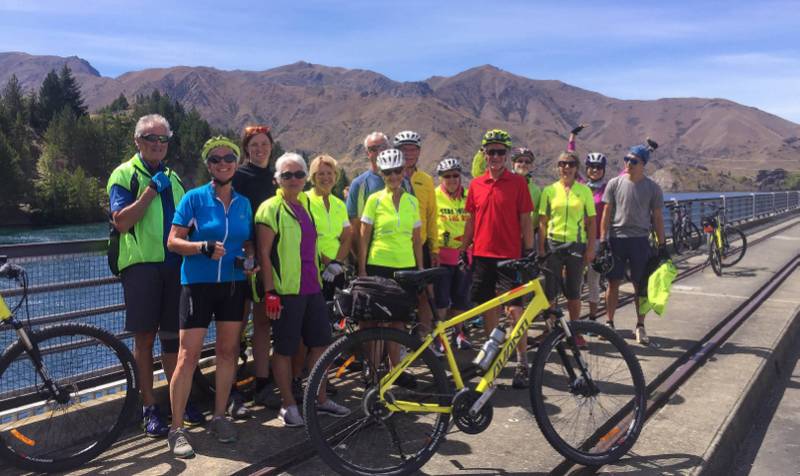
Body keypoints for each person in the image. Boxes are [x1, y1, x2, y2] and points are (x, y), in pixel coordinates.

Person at [106, 113, 203, 439]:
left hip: (175, 266)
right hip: (141, 267)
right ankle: (149, 408)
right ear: (138, 141)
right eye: (151, 138)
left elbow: (187, 223)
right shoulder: (124, 174)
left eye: (163, 139)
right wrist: (150, 190)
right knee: (145, 340)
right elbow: (122, 222)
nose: (158, 144)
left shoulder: (174, 178)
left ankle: (179, 403)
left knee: (174, 340)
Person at [166, 136, 255, 457]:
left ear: (236, 162)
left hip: (232, 285)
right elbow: (173, 241)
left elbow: (247, 241)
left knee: (228, 352)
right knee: (187, 357)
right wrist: (201, 247)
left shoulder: (244, 203)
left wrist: (250, 258)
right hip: (197, 285)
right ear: (208, 165)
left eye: (229, 158)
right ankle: (176, 429)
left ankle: (219, 417)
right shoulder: (194, 199)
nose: (223, 163)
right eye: (216, 159)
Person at [255, 152, 350, 428]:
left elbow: (312, 245)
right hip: (286, 291)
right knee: (284, 349)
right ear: (277, 179)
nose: (294, 179)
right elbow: (264, 253)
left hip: (312, 287)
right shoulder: (269, 208)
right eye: (287, 175)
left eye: (298, 174)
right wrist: (270, 292)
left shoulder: (305, 204)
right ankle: (288, 405)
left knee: (320, 344)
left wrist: (330, 265)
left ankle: (319, 399)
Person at [462, 129, 534, 389]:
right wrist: (463, 248)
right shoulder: (476, 184)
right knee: (488, 309)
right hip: (482, 256)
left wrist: (529, 251)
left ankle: (522, 361)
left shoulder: (518, 183)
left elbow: (526, 220)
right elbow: (471, 220)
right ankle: (492, 359)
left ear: (507, 154)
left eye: (500, 152)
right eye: (491, 151)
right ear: (484, 154)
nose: (495, 156)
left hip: (510, 258)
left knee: (515, 311)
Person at [359, 148, 424, 388]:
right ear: (382, 174)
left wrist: (420, 269)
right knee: (378, 323)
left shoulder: (412, 201)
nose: (393, 176)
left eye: (397, 171)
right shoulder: (374, 200)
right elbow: (363, 238)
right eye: (388, 173)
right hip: (379, 266)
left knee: (398, 323)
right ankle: (374, 373)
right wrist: (362, 269)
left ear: (404, 171)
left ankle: (396, 371)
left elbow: (416, 240)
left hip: (406, 268)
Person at [231, 125, 280, 414]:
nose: (260, 149)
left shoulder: (275, 178)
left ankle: (262, 384)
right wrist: (245, 250)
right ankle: (232, 390)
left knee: (263, 324)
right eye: (254, 145)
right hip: (243, 257)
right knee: (235, 325)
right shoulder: (238, 176)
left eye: (264, 144)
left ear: (271, 146)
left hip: (269, 258)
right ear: (246, 149)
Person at [600, 143, 667, 346]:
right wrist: (603, 240)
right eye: (626, 159)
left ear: (643, 164)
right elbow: (606, 213)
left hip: (640, 241)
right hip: (617, 239)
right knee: (613, 283)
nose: (628, 163)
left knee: (640, 285)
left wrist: (662, 245)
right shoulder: (614, 183)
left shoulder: (653, 188)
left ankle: (640, 325)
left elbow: (657, 217)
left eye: (633, 161)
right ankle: (609, 323)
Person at [538, 152, 597, 347]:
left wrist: (591, 249)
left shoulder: (584, 191)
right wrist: (541, 247)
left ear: (576, 167)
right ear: (557, 167)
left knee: (573, 291)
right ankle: (550, 330)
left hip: (575, 245)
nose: (566, 167)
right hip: (553, 244)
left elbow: (591, 222)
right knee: (550, 291)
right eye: (562, 163)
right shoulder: (549, 190)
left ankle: (575, 332)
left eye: (571, 164)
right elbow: (543, 222)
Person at [394, 130, 438, 337]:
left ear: (419, 152)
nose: (409, 154)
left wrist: (434, 248)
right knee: (400, 295)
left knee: (426, 294)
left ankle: (424, 336)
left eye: (413, 149)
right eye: (404, 150)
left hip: (422, 244)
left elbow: (432, 214)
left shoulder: (426, 180)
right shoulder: (392, 177)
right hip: (400, 246)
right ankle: (401, 340)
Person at [433, 158, 472, 350]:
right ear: (441, 178)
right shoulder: (434, 196)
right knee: (441, 301)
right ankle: (439, 337)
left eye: (455, 175)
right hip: (442, 256)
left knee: (460, 299)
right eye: (447, 176)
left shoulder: (469, 196)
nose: (452, 179)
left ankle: (459, 333)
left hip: (465, 255)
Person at [308, 154, 353, 297]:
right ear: (313, 177)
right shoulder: (303, 200)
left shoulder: (340, 204)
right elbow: (305, 238)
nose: (326, 177)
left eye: (330, 173)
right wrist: (328, 263)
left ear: (336, 175)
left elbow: (346, 237)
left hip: (336, 270)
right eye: (320, 174)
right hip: (312, 268)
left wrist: (337, 263)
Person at [345, 132, 391, 257]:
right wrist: (361, 260)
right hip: (372, 256)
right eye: (373, 149)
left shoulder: (403, 181)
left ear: (389, 148)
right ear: (367, 153)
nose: (379, 152)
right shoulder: (359, 184)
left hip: (403, 255)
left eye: (382, 147)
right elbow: (354, 227)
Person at [583, 152, 609, 319]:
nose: (595, 170)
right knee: (575, 281)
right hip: (579, 239)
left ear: (603, 170)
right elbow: (570, 160)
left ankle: (592, 318)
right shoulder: (581, 186)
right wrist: (572, 140)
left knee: (593, 280)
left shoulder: (607, 188)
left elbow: (625, 173)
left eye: (599, 167)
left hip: (598, 239)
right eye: (592, 166)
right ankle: (574, 321)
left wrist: (647, 151)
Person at [510, 147, 541, 245]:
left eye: (527, 162)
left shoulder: (536, 190)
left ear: (531, 166)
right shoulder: (503, 185)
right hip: (505, 235)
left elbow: (537, 215)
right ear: (513, 164)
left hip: (525, 238)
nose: (523, 164)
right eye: (520, 161)